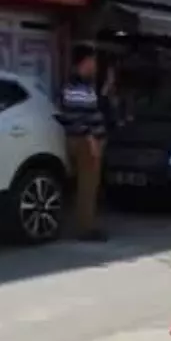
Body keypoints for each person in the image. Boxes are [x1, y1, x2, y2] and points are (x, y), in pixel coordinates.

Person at [57, 45, 108, 241]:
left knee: (90, 184)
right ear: (84, 62)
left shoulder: (85, 85)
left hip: (88, 140)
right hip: (85, 141)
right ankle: (85, 228)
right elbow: (77, 117)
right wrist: (92, 140)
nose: (95, 65)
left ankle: (86, 224)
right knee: (87, 185)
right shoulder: (75, 86)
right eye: (93, 61)